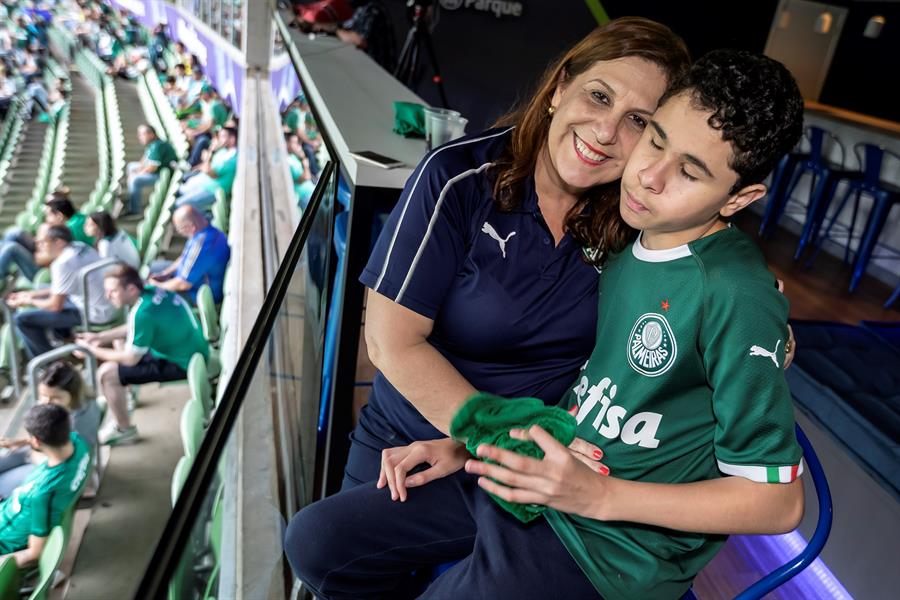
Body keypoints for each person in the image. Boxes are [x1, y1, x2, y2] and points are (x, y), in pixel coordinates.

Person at [285, 48, 807, 600]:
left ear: (742, 197)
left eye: (689, 171)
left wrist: (598, 497)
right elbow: (597, 395)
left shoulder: (721, 285)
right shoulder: (629, 246)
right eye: (654, 138)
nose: (649, 176)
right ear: (559, 88)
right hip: (536, 471)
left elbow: (780, 503)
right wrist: (470, 445)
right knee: (315, 540)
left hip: (605, 546)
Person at [330, 17, 691, 491]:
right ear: (560, 87)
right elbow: (389, 344)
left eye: (638, 121)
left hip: (538, 467)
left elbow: (712, 282)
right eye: (599, 96)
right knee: (325, 552)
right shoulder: (458, 178)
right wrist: (497, 437)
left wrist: (767, 322)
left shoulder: (634, 220)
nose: (606, 131)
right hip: (413, 443)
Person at [77, 265, 209, 446]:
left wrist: (92, 351)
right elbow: (134, 327)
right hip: (192, 350)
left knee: (106, 374)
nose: (108, 296)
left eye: (113, 291)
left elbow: (131, 358)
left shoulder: (143, 313)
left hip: (182, 363)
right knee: (119, 344)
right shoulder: (153, 292)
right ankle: (124, 396)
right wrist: (99, 337)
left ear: (130, 289)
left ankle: (124, 429)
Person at [0, 403, 90, 566]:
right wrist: (23, 442)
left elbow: (35, 553)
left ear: (36, 440)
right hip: (9, 511)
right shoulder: (79, 444)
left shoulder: (42, 494)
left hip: (4, 540)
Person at [7, 225, 115, 358]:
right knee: (40, 289)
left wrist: (27, 301)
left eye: (44, 242)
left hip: (94, 313)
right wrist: (31, 294)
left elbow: (55, 306)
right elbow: (62, 287)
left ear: (59, 242)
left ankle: (49, 365)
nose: (40, 247)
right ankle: (64, 338)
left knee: (22, 319)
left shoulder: (62, 263)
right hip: (106, 304)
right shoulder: (79, 246)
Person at [0, 361, 101, 496]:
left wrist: (33, 451)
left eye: (55, 398)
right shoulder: (67, 408)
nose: (46, 402)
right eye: (43, 395)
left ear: (73, 393)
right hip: (44, 452)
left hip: (57, 470)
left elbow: (64, 462)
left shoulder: (81, 421)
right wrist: (24, 442)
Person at [148, 206, 230, 304]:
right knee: (150, 268)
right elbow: (184, 257)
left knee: (151, 294)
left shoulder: (202, 246)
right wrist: (165, 273)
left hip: (198, 294)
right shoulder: (205, 232)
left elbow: (183, 284)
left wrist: (156, 285)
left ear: (191, 226)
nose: (180, 233)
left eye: (180, 229)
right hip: (188, 278)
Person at [174, 126, 238, 212]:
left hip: (213, 190)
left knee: (178, 204)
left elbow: (211, 173)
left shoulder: (233, 157)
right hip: (203, 181)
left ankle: (206, 215)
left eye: (223, 136)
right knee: (180, 190)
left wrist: (209, 153)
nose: (219, 139)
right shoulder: (223, 151)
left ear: (232, 139)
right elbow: (206, 167)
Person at [123, 125, 177, 217]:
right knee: (131, 166)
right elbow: (144, 160)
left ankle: (135, 210)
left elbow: (152, 168)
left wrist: (137, 173)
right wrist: (138, 169)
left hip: (162, 175)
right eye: (139, 134)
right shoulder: (151, 144)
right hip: (156, 172)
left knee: (134, 180)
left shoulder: (158, 146)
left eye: (142, 134)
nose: (140, 136)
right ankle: (131, 195)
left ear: (151, 134)